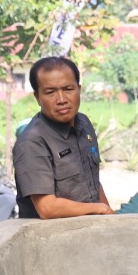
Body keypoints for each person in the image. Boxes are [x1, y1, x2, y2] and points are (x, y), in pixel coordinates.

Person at [13, 57, 113, 219]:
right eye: (50, 92)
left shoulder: (83, 124)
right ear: (37, 97)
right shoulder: (32, 142)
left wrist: (109, 218)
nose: (61, 100)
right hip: (51, 238)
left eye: (68, 89)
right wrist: (100, 209)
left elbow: (92, 181)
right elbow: (47, 208)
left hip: (89, 231)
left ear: (79, 89)